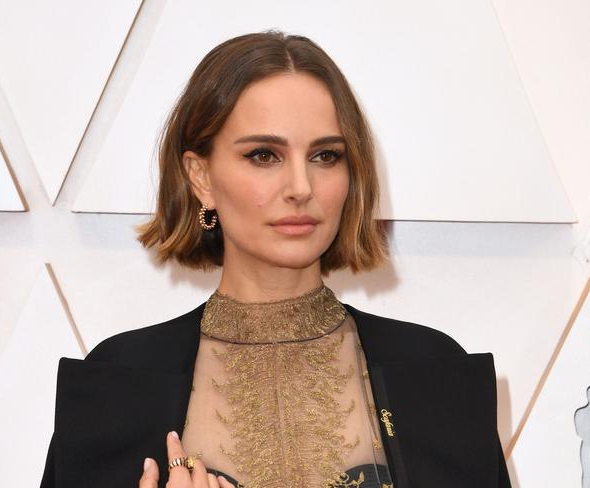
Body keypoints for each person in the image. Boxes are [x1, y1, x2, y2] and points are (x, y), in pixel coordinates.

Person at [39, 30, 511, 488]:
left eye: (326, 156)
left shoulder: (436, 375)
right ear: (200, 175)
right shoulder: (116, 386)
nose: (301, 188)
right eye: (264, 155)